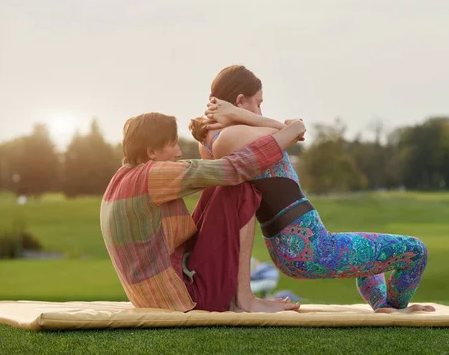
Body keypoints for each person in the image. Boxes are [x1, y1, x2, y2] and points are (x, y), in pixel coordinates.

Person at [189, 65, 435, 314]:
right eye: (258, 103)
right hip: (312, 247)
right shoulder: (230, 137)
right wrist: (242, 115)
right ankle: (397, 311)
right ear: (240, 100)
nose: (260, 110)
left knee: (373, 264)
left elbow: (292, 128)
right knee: (416, 251)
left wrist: (238, 114)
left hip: (297, 245)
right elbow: (295, 129)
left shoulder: (213, 139)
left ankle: (385, 307)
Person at [100, 112, 305, 313]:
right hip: (185, 298)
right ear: (151, 151)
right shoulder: (150, 176)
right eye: (172, 144)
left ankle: (241, 297)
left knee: (216, 185)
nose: (179, 152)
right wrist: (290, 132)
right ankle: (245, 300)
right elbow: (233, 169)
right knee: (239, 188)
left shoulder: (121, 180)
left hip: (155, 296)